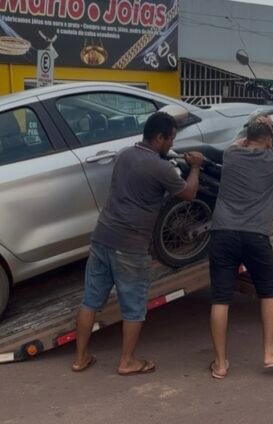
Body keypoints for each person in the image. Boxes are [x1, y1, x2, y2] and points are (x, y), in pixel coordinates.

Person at [71, 111, 204, 375]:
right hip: (130, 245)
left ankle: (80, 358)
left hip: (102, 237)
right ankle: (127, 361)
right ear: (159, 137)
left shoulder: (125, 154)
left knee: (90, 302)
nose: (172, 145)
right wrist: (197, 166)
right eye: (171, 139)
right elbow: (188, 193)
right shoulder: (161, 167)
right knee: (133, 308)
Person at [207, 90, 273, 379]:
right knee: (269, 292)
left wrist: (258, 123)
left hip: (222, 234)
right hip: (255, 236)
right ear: (269, 139)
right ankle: (269, 352)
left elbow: (244, 139)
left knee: (220, 299)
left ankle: (220, 364)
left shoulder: (232, 154)